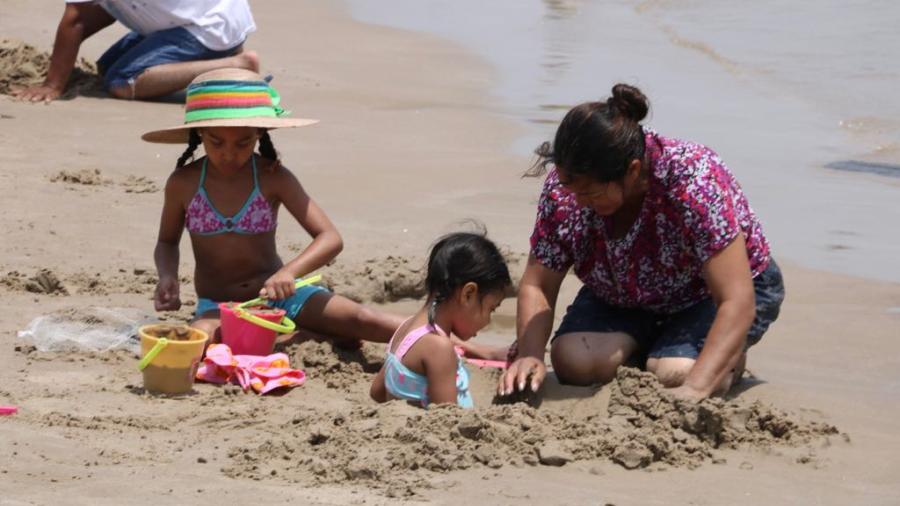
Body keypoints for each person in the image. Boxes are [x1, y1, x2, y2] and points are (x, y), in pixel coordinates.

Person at [499, 84, 785, 402]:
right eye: (572, 190)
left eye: (592, 194)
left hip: (708, 295)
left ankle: (723, 358)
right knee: (573, 361)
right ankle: (659, 347)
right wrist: (530, 353)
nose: (579, 203)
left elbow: (736, 298)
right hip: (624, 292)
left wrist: (696, 388)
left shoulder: (693, 179)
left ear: (632, 171)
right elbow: (538, 284)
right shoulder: (565, 187)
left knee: (675, 374)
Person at [144, 68, 403, 348]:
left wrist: (288, 273)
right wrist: (167, 276)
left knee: (364, 319)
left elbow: (330, 238)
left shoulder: (272, 177)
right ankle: (304, 335)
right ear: (198, 134)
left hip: (282, 298)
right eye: (216, 141)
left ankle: (445, 342)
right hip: (218, 305)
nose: (228, 153)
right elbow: (167, 242)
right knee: (204, 341)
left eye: (243, 142)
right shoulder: (183, 183)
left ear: (260, 134)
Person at [12, 0, 258, 102]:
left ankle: (234, 65)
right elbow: (99, 12)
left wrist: (53, 85)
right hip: (210, 16)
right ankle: (222, 56)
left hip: (207, 26)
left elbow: (76, 19)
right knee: (107, 67)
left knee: (121, 81)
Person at [370, 232, 512, 408]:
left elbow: (376, 391)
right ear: (468, 294)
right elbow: (446, 417)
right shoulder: (439, 348)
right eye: (491, 308)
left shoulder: (406, 328)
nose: (488, 321)